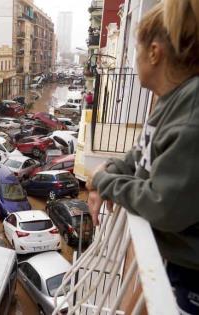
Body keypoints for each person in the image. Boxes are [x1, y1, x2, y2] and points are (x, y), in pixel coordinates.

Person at [86, 0, 199, 313]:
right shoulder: (172, 99)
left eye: (136, 48)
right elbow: (141, 153)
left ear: (154, 52)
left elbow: (163, 205)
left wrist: (103, 181)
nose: (133, 59)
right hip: (179, 262)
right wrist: (109, 171)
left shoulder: (192, 111)